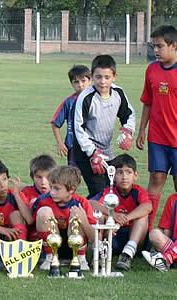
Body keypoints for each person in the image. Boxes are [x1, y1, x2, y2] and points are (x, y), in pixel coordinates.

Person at [73, 55, 136, 198]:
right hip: (86, 152)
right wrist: (92, 152)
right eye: (98, 77)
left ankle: (104, 218)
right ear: (92, 77)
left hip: (106, 150)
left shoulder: (118, 93)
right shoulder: (86, 98)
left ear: (114, 76)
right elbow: (79, 128)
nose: (102, 82)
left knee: (110, 188)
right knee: (99, 191)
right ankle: (86, 215)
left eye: (107, 77)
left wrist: (128, 131)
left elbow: (128, 114)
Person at [136, 25, 177, 230]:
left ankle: (175, 233)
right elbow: (148, 102)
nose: (156, 51)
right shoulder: (151, 69)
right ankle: (146, 231)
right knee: (156, 178)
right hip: (157, 138)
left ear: (174, 45)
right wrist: (142, 130)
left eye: (160, 46)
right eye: (154, 47)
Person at [89, 154, 152, 271]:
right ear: (113, 176)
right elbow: (90, 203)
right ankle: (98, 252)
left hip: (135, 238)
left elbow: (148, 206)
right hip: (112, 236)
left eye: (128, 172)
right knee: (100, 214)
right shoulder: (109, 192)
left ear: (135, 176)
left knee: (142, 216)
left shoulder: (138, 192)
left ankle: (127, 254)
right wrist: (112, 214)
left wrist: (126, 218)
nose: (124, 177)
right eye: (120, 172)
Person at [32, 166, 96, 271]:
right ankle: (51, 257)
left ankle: (80, 259)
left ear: (72, 189)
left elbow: (95, 239)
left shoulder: (82, 203)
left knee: (76, 214)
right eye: (51, 187)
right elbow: (32, 225)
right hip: (51, 243)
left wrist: (83, 220)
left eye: (56, 188)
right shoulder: (43, 201)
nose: (52, 192)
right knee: (44, 211)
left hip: (74, 245)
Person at [51, 65, 91, 166]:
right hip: (73, 147)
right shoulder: (69, 102)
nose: (80, 85)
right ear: (72, 84)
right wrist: (60, 143)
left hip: (93, 146)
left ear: (90, 81)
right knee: (73, 177)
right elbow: (55, 123)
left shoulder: (96, 100)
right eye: (76, 82)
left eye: (83, 81)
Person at [142, 194, 177, 272]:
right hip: (173, 245)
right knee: (154, 234)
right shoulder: (172, 199)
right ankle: (167, 259)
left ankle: (166, 259)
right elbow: (167, 230)